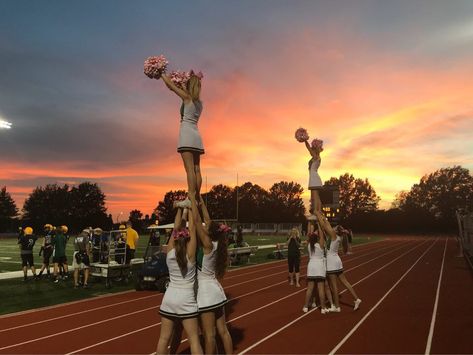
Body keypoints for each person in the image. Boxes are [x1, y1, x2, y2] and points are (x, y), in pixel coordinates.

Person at [156, 206, 203, 355]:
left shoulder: (170, 252)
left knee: (163, 339)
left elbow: (176, 227)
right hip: (186, 299)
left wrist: (179, 209)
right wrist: (190, 208)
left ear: (175, 237)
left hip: (169, 298)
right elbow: (194, 228)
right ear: (188, 239)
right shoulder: (190, 253)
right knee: (194, 339)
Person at [191, 196, 233, 354]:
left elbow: (196, 221)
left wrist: (192, 203)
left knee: (209, 336)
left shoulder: (208, 245)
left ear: (210, 232)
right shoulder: (217, 244)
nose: (205, 225)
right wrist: (200, 200)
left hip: (206, 294)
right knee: (223, 331)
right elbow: (207, 220)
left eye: (207, 227)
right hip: (217, 292)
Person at [160, 72, 204, 207]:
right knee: (196, 169)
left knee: (189, 169)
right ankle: (195, 196)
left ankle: (190, 197)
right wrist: (182, 85)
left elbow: (170, 85)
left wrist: (161, 73)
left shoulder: (187, 99)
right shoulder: (199, 104)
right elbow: (182, 92)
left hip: (186, 136)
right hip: (196, 136)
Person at [315, 211, 362, 311]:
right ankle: (356, 299)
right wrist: (322, 217)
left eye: (335, 227)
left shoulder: (333, 235)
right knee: (345, 282)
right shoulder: (338, 237)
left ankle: (337, 307)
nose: (334, 228)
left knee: (334, 285)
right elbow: (325, 225)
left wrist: (320, 215)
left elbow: (326, 224)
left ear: (336, 230)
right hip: (337, 261)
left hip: (332, 262)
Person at [302, 228, 329, 314]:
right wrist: (320, 225)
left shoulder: (309, 245)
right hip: (319, 267)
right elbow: (321, 235)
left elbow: (309, 234)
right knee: (321, 289)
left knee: (309, 289)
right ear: (317, 238)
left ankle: (305, 306)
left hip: (311, 267)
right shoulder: (320, 244)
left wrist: (311, 223)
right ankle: (323, 308)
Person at [303, 138, 324, 215]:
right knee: (316, 196)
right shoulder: (317, 157)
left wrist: (305, 140)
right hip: (314, 177)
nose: (312, 150)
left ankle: (316, 211)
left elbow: (308, 148)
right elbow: (309, 149)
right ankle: (319, 211)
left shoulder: (316, 156)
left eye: (313, 148)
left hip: (314, 178)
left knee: (314, 196)